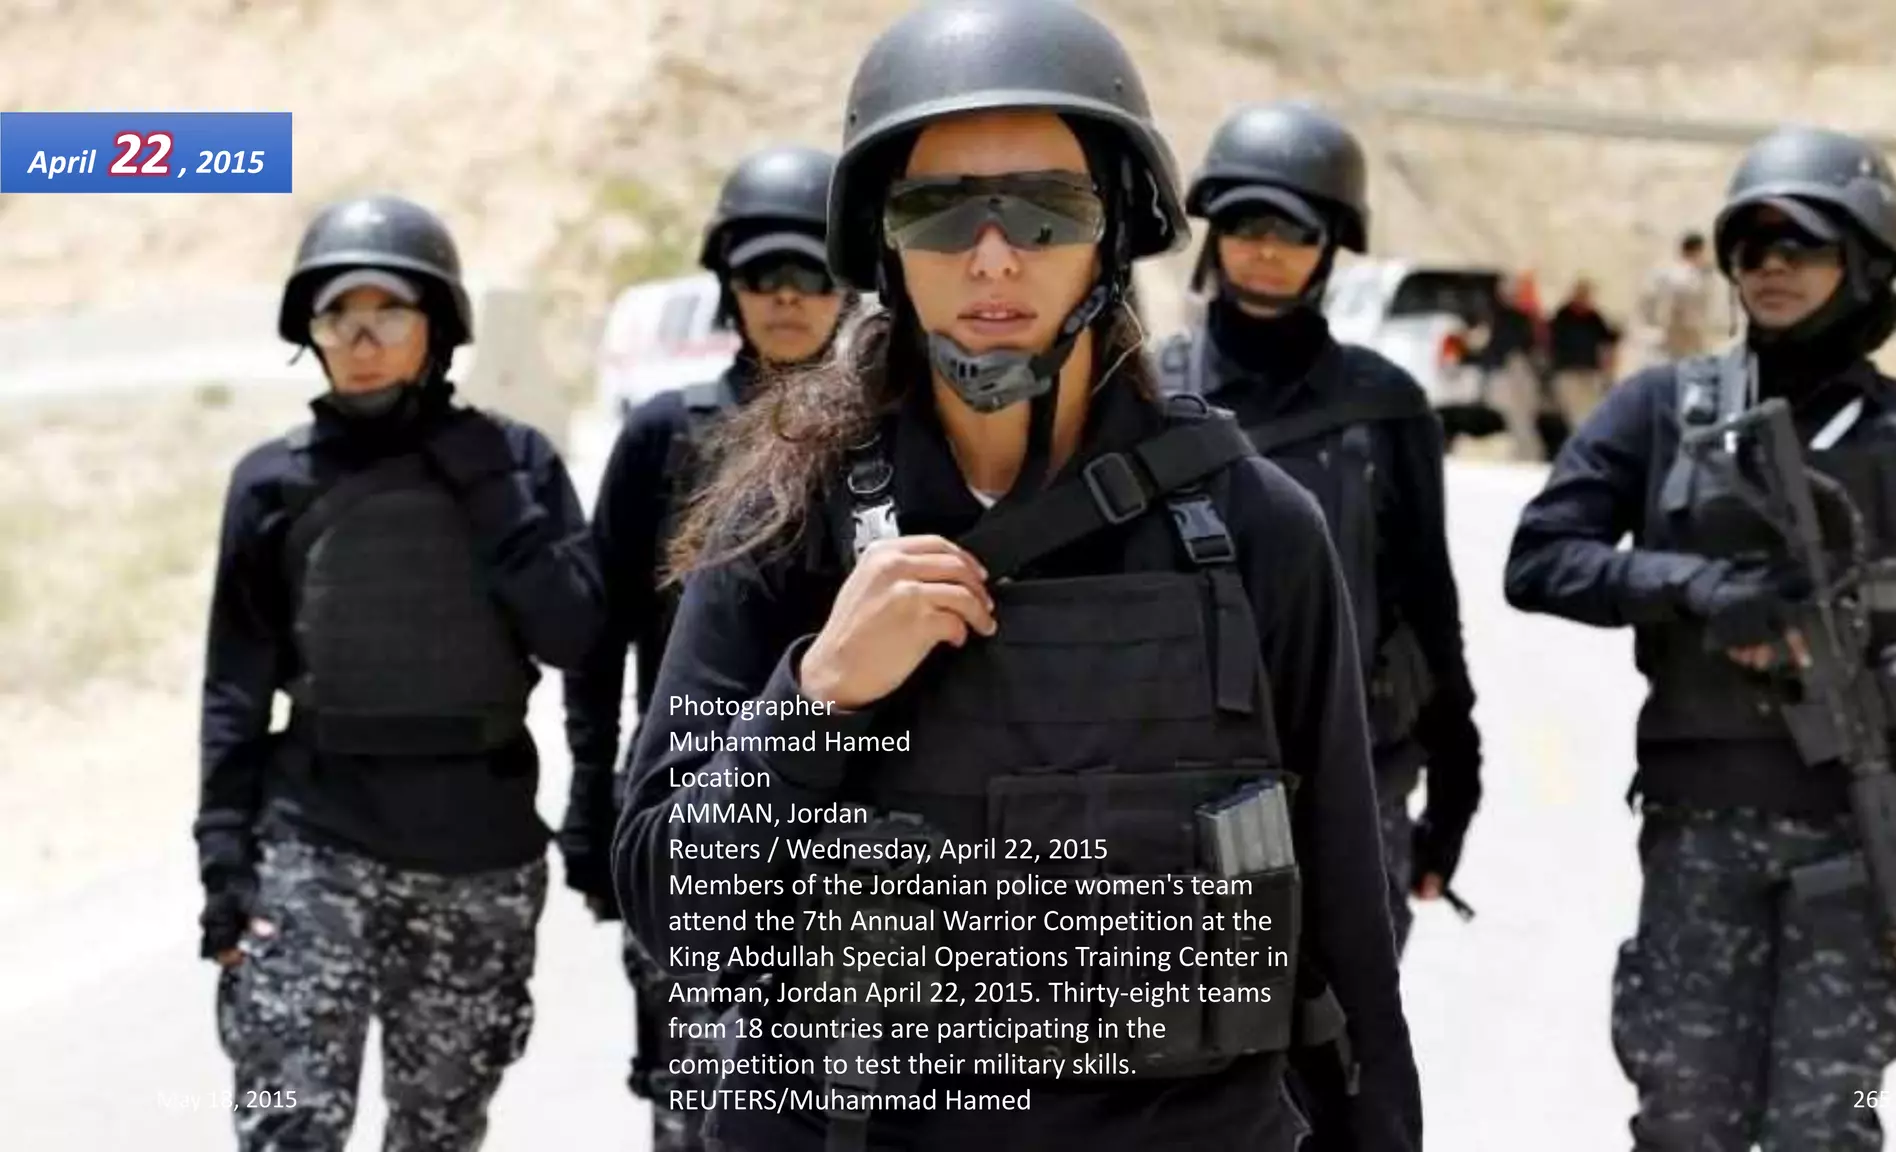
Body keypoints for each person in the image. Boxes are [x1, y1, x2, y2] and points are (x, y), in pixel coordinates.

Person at [610, 3, 1422, 1150]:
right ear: (884, 243)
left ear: (1113, 232)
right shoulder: (785, 522)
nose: (992, 255)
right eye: (940, 210)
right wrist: (817, 699)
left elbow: (1345, 941)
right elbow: (671, 909)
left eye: (1046, 208)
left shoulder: (1250, 529)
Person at [1505, 126, 1896, 1150]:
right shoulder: (1663, 409)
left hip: (1863, 844)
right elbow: (1540, 559)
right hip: (1700, 836)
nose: (1771, 266)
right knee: (1683, 1120)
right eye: (1751, 245)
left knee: (1841, 1117)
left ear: (1864, 262)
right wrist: (1695, 589)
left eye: (1802, 244)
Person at [197, 194, 605, 1150]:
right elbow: (234, 690)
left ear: (439, 327)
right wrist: (223, 868)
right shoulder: (271, 483)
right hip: (314, 844)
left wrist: (491, 495)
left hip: (476, 852)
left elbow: (576, 636)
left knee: (439, 1132)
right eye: (337, 316)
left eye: (388, 314)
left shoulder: (515, 464)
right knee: (280, 1121)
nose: (361, 340)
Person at [560, 143, 855, 1151]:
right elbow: (597, 637)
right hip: (697, 810)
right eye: (762, 275)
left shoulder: (893, 441)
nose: (786, 297)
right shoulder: (664, 435)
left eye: (809, 272)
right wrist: (592, 800)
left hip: (852, 823)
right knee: (693, 1108)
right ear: (728, 288)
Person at [1155, 99, 1484, 956]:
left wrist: (1456, 780)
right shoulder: (1143, 396)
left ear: (1332, 244)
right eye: (1245, 224)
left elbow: (1428, 600)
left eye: (1293, 230)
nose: (1266, 249)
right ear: (1214, 235)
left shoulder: (1386, 409)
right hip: (1173, 787)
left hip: (1353, 785)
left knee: (1346, 1033)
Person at [1474, 271, 1546, 461]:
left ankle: (1528, 452)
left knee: (1522, 414)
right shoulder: (1492, 315)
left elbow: (1528, 345)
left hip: (1516, 368)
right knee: (1513, 414)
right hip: (1504, 370)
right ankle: (1524, 452)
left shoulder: (1518, 317)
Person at [1546, 277, 1622, 432]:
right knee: (1576, 414)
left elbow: (1607, 339)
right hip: (1568, 372)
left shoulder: (1594, 318)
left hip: (1589, 372)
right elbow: (1552, 343)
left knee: (1591, 411)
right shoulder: (1562, 316)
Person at [1639, 231, 1713, 362]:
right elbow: (1690, 314)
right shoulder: (1691, 277)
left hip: (1665, 338)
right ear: (1698, 251)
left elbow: (1647, 303)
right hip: (1682, 337)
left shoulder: (1664, 273)